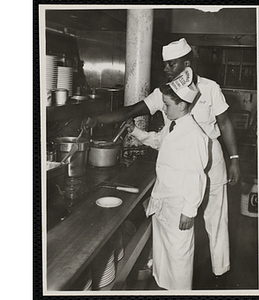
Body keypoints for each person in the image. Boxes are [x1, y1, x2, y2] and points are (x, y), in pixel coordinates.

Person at [82, 38, 240, 280]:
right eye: (164, 65)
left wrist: (235, 158)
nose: (166, 69)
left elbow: (225, 123)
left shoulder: (210, 88)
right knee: (181, 232)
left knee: (216, 222)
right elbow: (132, 111)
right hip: (180, 169)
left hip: (212, 166)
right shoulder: (164, 93)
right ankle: (176, 277)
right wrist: (98, 120)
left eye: (171, 64)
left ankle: (220, 276)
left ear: (186, 63)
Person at [125, 69, 208, 290]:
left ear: (182, 105)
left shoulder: (195, 135)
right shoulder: (174, 125)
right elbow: (158, 141)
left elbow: (197, 176)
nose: (164, 108)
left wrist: (190, 211)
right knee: (163, 258)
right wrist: (135, 131)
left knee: (179, 261)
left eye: (167, 105)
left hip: (179, 208)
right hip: (164, 203)